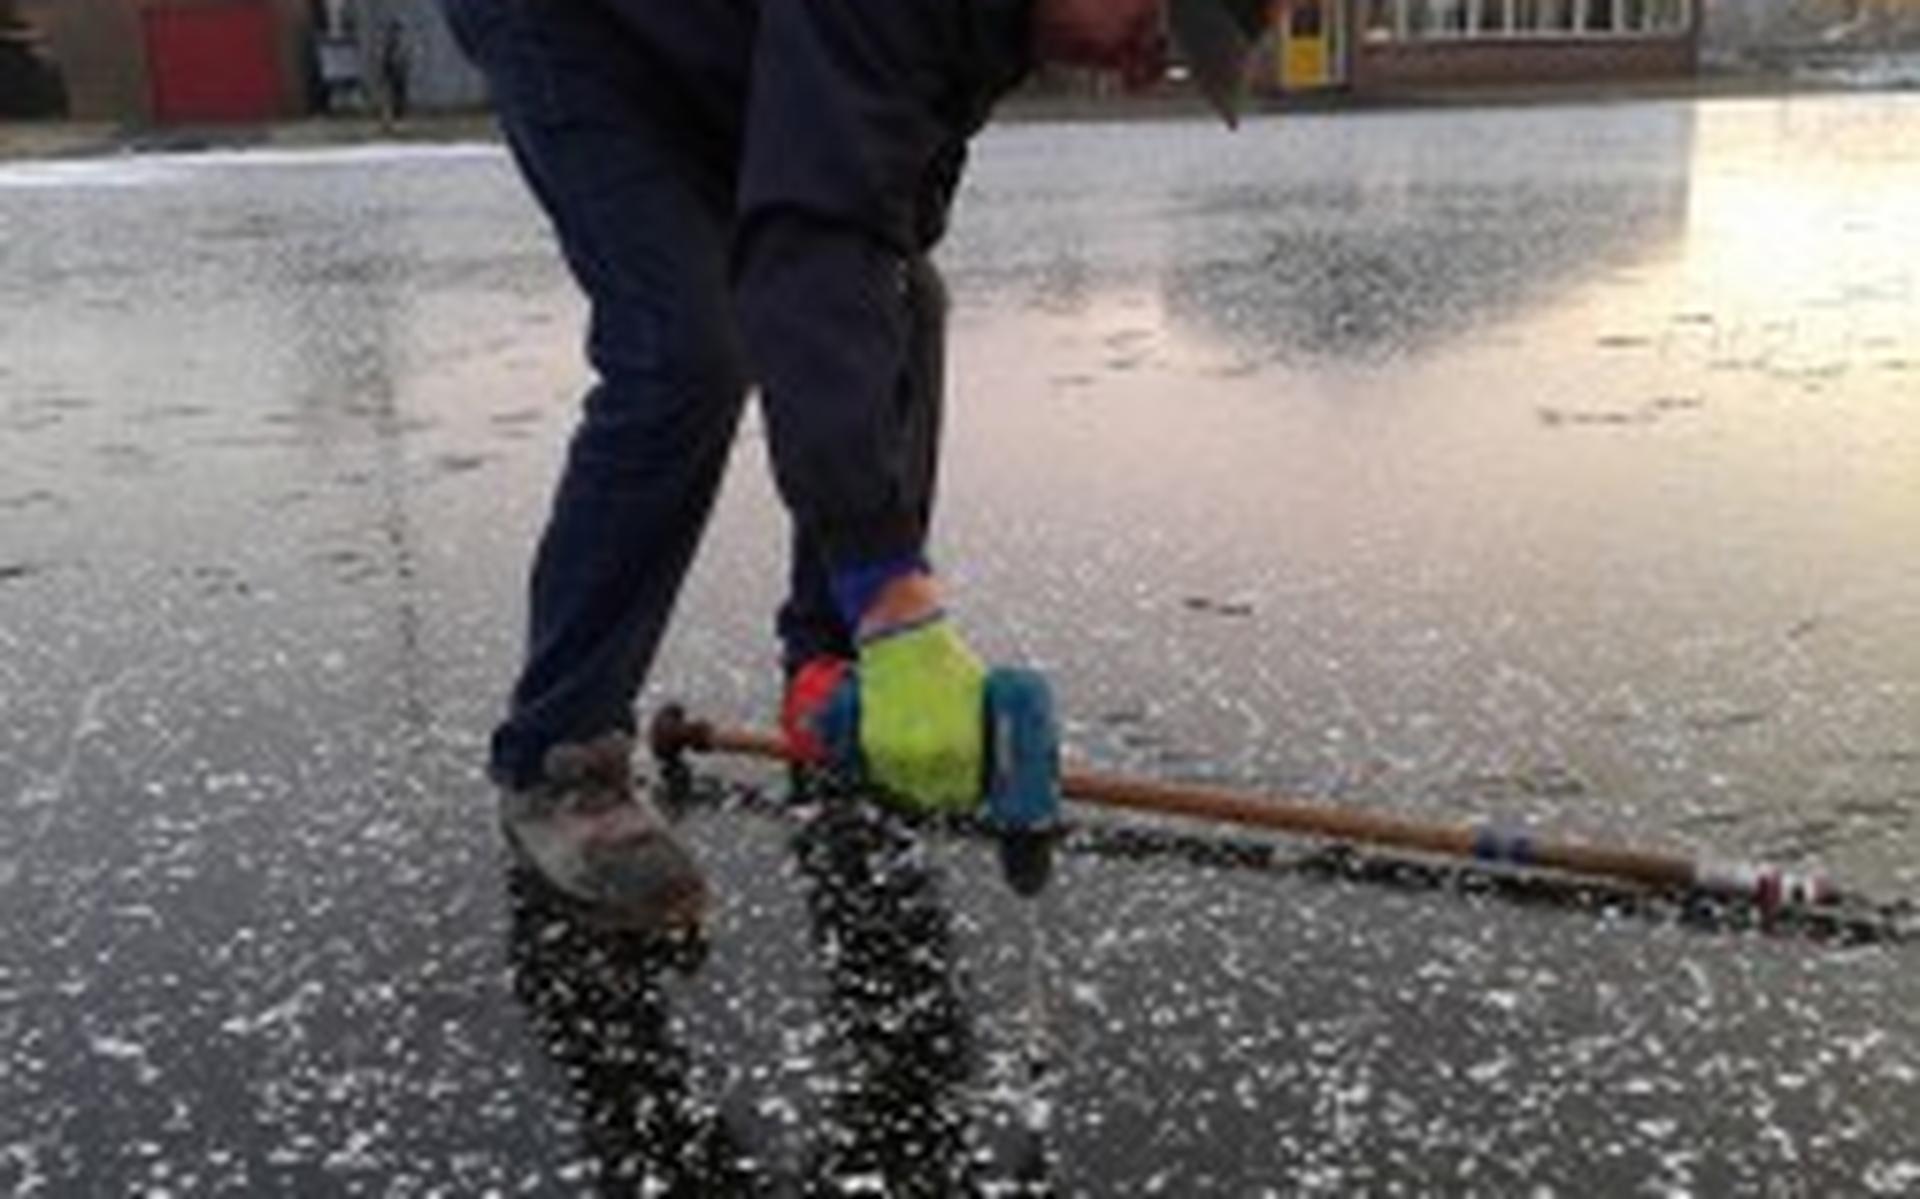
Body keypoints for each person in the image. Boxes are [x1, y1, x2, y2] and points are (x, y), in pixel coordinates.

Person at [441, 0, 1214, 932]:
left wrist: (852, 640)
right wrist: (892, 593)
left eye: (1172, 50)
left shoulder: (997, 25)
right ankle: (558, 756)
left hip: (716, 41)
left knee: (899, 295)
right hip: (578, 28)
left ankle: (830, 675)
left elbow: (870, 224)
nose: (1148, 60)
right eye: (1158, 21)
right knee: (683, 352)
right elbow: (814, 247)